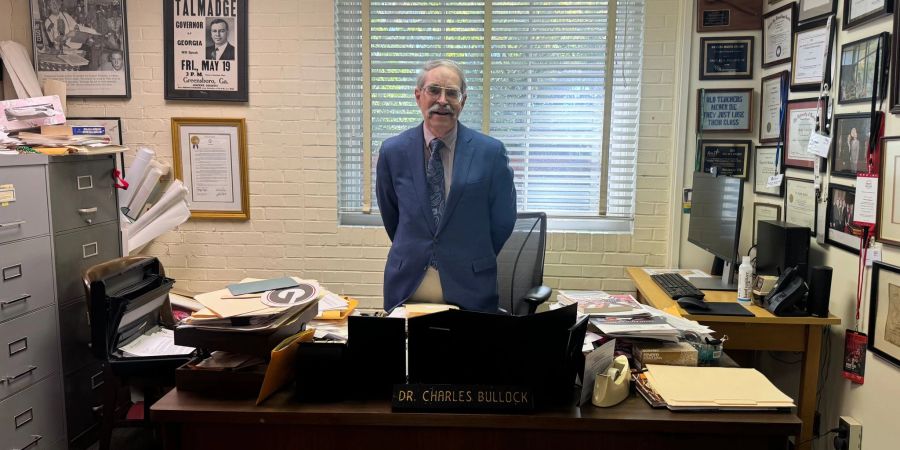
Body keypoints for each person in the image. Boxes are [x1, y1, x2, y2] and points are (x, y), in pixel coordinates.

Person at [376, 59, 517, 313]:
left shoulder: (490, 152)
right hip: (407, 285)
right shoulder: (392, 151)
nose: (443, 100)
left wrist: (470, 255)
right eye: (434, 90)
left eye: (452, 93)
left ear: (462, 101)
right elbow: (392, 216)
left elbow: (503, 220)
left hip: (471, 285)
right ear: (418, 95)